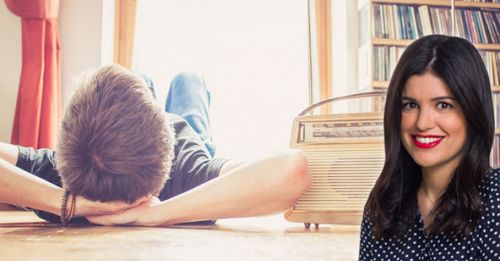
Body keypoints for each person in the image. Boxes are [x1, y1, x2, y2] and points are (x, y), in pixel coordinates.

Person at [0, 64, 311, 226]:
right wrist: (157, 214)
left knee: (140, 79)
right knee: (189, 81)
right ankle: (148, 85)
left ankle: (142, 83)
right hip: (191, 141)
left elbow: (289, 168)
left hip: (163, 139)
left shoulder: (58, 175)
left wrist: (68, 204)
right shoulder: (189, 176)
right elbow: (290, 170)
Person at [355, 34, 500, 261]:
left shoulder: (495, 199)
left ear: (472, 110)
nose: (422, 123)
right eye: (410, 105)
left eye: (443, 105)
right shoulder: (383, 203)